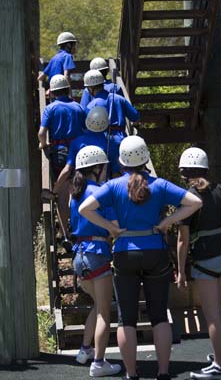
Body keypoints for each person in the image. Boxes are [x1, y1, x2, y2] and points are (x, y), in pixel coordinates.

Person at [78, 135, 202, 380]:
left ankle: (132, 373)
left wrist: (111, 228)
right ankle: (164, 371)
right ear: (146, 157)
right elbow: (195, 202)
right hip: (155, 251)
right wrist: (167, 221)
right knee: (158, 314)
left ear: (121, 160)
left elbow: (85, 209)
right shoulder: (160, 185)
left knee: (127, 319)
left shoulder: (113, 186)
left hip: (124, 252)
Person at [176, 147, 221, 380]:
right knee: (219, 308)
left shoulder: (188, 199)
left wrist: (181, 272)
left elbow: (183, 240)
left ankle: (219, 367)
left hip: (206, 261)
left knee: (211, 313)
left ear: (184, 173)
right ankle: (220, 356)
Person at [70, 145, 121, 377]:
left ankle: (85, 350)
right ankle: (99, 363)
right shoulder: (101, 192)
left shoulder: (75, 195)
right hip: (97, 252)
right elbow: (115, 228)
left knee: (96, 306)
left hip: (79, 256)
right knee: (104, 312)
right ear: (98, 168)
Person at [38, 74, 86, 243]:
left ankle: (65, 235)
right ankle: (80, 230)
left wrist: (43, 145)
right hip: (79, 153)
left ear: (53, 92)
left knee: (62, 196)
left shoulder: (50, 109)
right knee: (79, 192)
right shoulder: (78, 107)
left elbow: (42, 133)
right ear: (67, 89)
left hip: (59, 152)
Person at [84, 69, 140, 177]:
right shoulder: (119, 99)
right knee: (123, 173)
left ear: (91, 88)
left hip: (101, 141)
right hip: (121, 140)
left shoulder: (91, 105)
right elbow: (136, 117)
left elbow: (86, 127)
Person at [52, 106, 109, 196]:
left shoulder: (77, 142)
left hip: (79, 189)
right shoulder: (110, 144)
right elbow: (115, 173)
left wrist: (55, 191)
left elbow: (67, 170)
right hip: (102, 190)